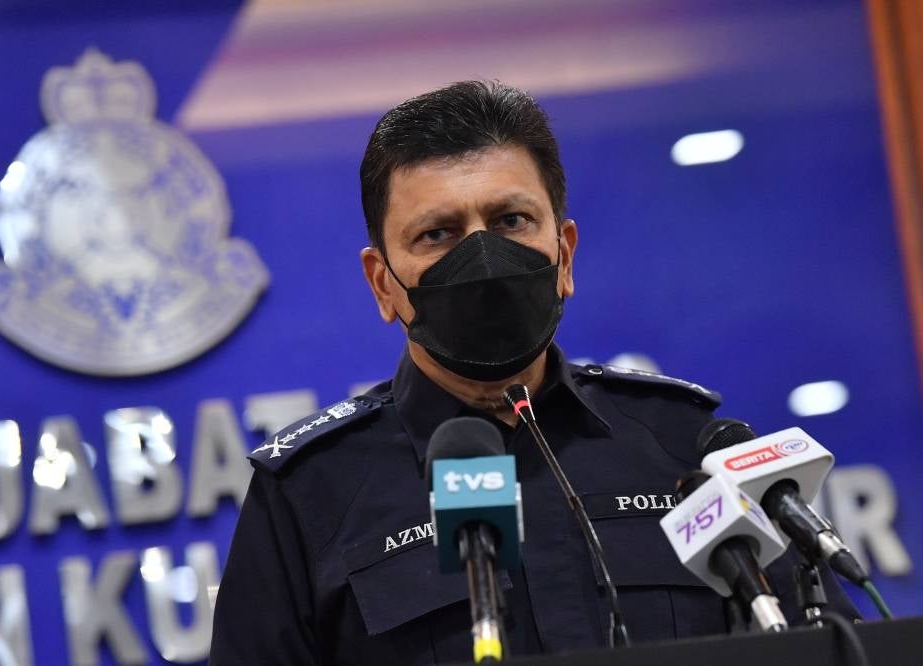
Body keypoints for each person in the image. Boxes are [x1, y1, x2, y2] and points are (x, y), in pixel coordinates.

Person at [210, 81, 857, 665]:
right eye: (437, 234)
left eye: (510, 221)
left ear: (564, 255)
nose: (483, 256)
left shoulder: (681, 443)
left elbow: (824, 644)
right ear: (383, 284)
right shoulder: (308, 494)